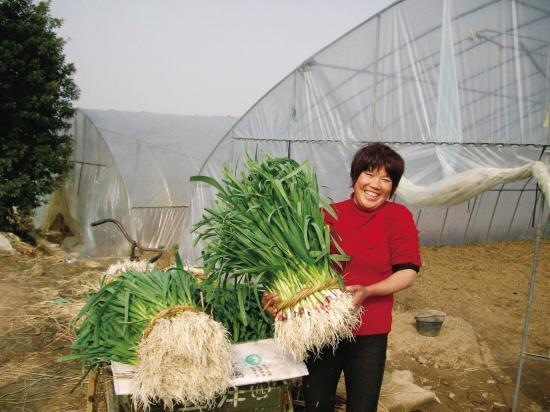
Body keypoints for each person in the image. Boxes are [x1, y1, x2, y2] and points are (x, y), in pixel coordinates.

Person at [263, 142, 421, 411]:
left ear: (393, 187)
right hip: (323, 327)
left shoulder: (398, 216)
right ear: (355, 177)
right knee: (317, 402)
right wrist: (283, 296)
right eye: (369, 174)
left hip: (371, 330)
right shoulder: (326, 215)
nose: (376, 184)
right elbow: (302, 270)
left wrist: (369, 291)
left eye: (386, 179)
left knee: (363, 404)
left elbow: (407, 272)